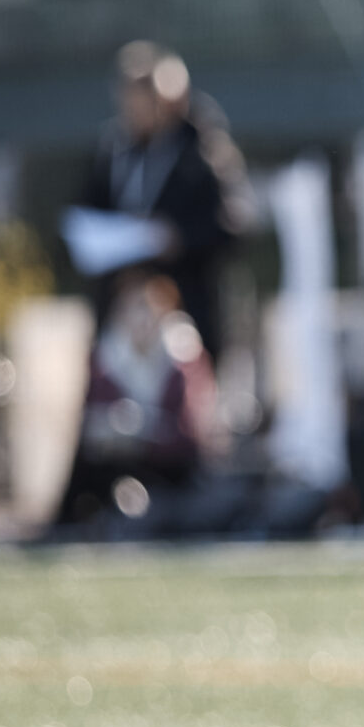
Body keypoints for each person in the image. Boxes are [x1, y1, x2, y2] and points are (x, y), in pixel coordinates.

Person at [74, 42, 254, 360]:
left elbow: (233, 224)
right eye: (130, 98)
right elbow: (86, 216)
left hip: (185, 314)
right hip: (120, 318)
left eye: (147, 98)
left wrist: (178, 237)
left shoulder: (202, 152)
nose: (138, 109)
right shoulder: (112, 151)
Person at [53, 270, 218, 530]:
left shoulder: (184, 357)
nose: (141, 318)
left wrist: (144, 431)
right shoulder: (107, 357)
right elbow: (91, 424)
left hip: (171, 468)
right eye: (132, 308)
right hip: (118, 463)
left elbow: (191, 431)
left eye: (148, 307)